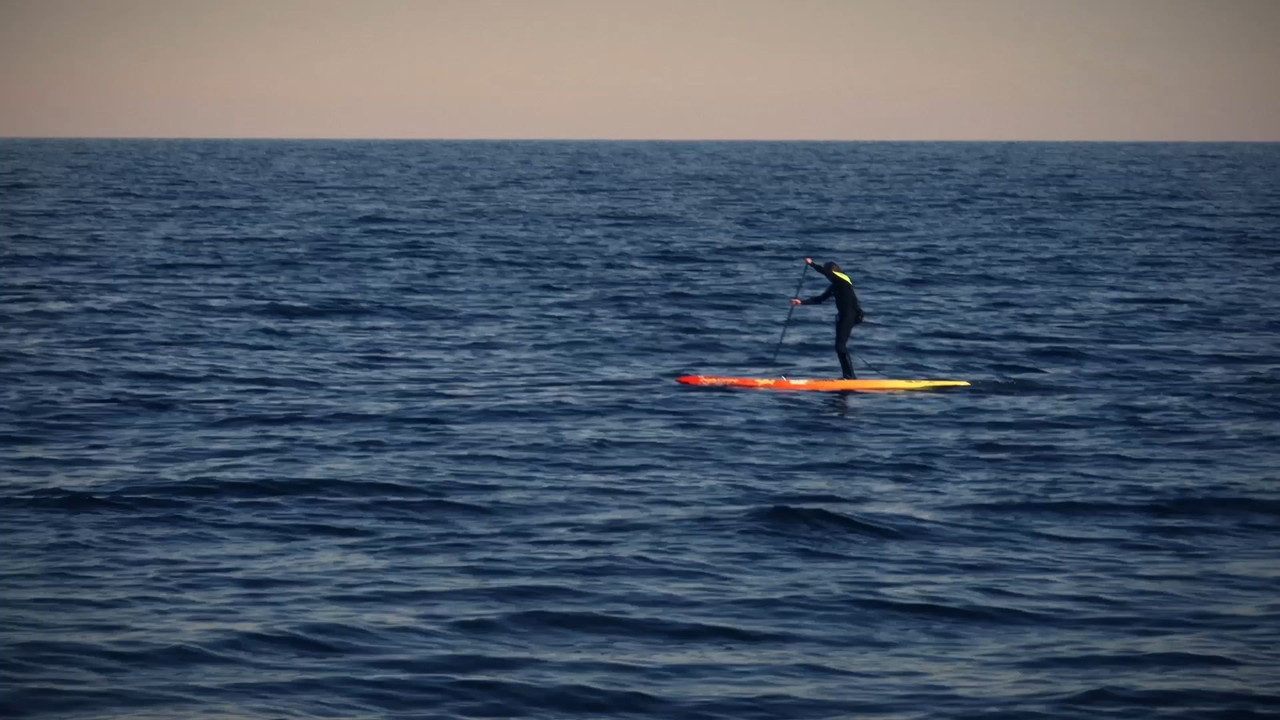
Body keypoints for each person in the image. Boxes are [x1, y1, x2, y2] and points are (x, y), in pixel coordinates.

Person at [791, 257, 864, 379]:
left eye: (828, 274)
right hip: (842, 316)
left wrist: (812, 264)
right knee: (839, 347)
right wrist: (801, 302)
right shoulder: (835, 286)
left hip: (850, 315)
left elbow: (827, 272)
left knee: (840, 346)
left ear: (833, 272)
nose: (827, 277)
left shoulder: (844, 279)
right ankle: (847, 376)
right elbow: (820, 299)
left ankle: (850, 377)